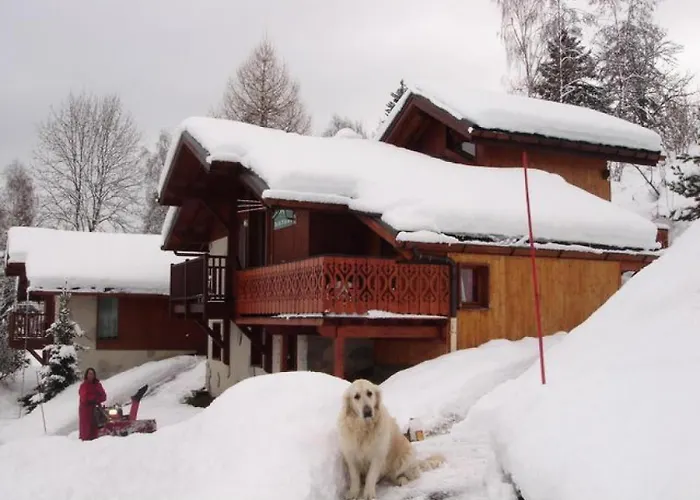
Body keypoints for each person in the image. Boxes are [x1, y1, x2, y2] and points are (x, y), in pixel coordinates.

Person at [78, 367, 107, 441]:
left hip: (96, 409)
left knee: (97, 426)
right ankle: (86, 441)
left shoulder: (98, 385)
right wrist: (94, 398)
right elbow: (84, 398)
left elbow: (103, 396)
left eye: (92, 374)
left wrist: (95, 399)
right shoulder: (84, 386)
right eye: (89, 373)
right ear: (86, 375)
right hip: (86, 410)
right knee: (86, 428)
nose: (91, 375)